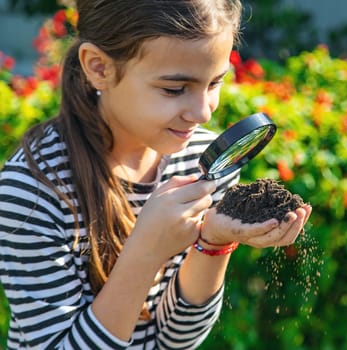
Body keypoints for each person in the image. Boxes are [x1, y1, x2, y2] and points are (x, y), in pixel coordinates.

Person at [0, 0, 312, 348]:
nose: (202, 114)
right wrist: (146, 251)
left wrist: (213, 240)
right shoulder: (33, 191)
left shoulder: (201, 162)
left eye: (214, 83)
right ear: (99, 67)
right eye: (174, 89)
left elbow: (175, 341)